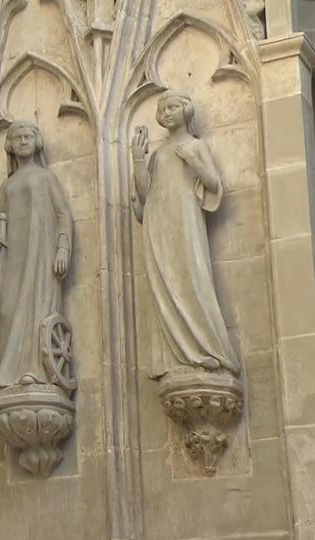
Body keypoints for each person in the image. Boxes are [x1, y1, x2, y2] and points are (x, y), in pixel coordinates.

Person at [131, 90, 241, 378]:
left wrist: (193, 161)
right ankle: (174, 356)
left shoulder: (195, 145)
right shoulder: (158, 153)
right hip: (159, 220)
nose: (166, 113)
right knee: (166, 284)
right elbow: (146, 193)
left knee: (192, 278)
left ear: (185, 110)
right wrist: (138, 161)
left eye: (172, 107)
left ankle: (208, 349)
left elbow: (213, 183)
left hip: (185, 218)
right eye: (162, 109)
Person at [0, 121, 74, 388]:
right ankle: (10, 373)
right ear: (9, 144)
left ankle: (35, 370)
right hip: (13, 260)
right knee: (9, 312)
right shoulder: (7, 186)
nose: (23, 141)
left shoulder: (46, 178)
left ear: (38, 142)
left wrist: (62, 248)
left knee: (36, 310)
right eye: (17, 137)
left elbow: (63, 216)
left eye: (27, 136)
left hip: (40, 257)